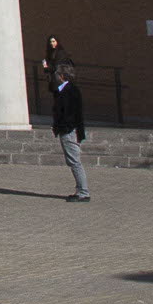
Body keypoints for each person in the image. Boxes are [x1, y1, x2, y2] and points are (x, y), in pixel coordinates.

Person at [46, 46, 91, 201]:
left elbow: (70, 113)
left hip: (69, 130)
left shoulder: (69, 91)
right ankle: (80, 190)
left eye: (58, 75)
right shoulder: (64, 90)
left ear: (63, 76)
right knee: (73, 161)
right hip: (68, 129)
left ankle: (83, 192)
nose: (56, 77)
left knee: (74, 161)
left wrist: (64, 126)